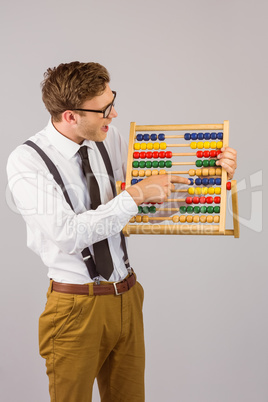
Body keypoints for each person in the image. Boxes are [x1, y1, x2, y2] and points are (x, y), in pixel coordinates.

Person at [6, 61, 237, 402]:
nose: (114, 115)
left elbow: (144, 214)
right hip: (75, 308)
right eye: (104, 109)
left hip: (128, 295)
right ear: (70, 115)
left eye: (112, 101)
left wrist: (211, 179)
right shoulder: (27, 161)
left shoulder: (107, 138)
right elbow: (68, 234)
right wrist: (134, 195)